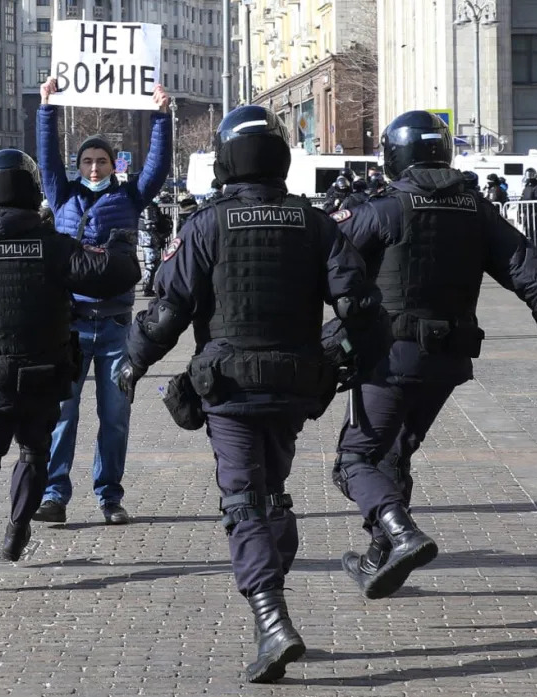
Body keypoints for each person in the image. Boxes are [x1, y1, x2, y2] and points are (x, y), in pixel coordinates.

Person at [115, 105, 378, 683]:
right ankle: (273, 570)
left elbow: (170, 309)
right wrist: (352, 355)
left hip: (230, 388)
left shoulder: (207, 224)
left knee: (242, 500)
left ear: (226, 159)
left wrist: (132, 361)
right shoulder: (315, 223)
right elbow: (357, 303)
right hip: (294, 386)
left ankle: (271, 618)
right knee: (273, 490)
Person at [330, 110, 537, 601]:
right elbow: (529, 271)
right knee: (395, 454)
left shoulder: (383, 209)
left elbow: (322, 259)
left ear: (393, 156)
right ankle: (379, 558)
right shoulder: (477, 210)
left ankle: (401, 534)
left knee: (354, 460)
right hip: (447, 362)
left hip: (387, 357)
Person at [0, 149, 141, 590]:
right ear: (31, 190)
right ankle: (16, 527)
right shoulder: (55, 246)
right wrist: (123, 246)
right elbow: (115, 275)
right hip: (44, 374)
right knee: (33, 453)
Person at [32, 77, 172, 526]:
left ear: (114, 164)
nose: (94, 168)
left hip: (116, 325)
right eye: (88, 161)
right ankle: (54, 494)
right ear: (79, 166)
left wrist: (160, 116)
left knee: (115, 417)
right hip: (69, 324)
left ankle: (109, 495)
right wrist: (47, 107)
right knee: (63, 415)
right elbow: (48, 159)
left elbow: (159, 166)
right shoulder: (63, 193)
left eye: (102, 161)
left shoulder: (128, 196)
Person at [137, 195, 172, 296]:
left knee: (153, 264)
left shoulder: (145, 204)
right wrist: (159, 238)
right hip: (149, 238)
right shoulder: (148, 206)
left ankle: (148, 287)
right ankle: (147, 288)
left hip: (147, 237)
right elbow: (150, 224)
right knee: (151, 264)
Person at [519, 168, 537, 249]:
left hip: (533, 213)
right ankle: (529, 249)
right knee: (527, 232)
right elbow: (522, 197)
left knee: (534, 232)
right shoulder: (527, 186)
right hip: (526, 213)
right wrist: (520, 210)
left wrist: (533, 208)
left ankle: (536, 249)